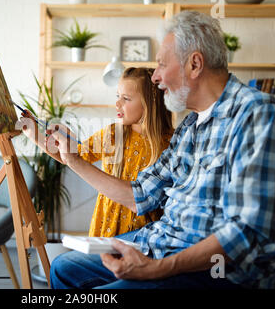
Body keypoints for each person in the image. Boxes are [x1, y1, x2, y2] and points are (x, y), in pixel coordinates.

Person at [45, 10, 275, 289]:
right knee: (64, 268)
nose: (155, 78)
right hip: (163, 245)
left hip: (216, 272)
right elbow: (140, 195)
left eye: (162, 64)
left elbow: (246, 234)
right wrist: (73, 159)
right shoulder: (189, 127)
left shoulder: (260, 114)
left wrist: (157, 269)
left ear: (195, 64)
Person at [20, 67, 174, 237]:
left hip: (145, 238)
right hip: (105, 230)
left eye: (126, 98)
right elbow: (71, 156)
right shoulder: (113, 134)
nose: (117, 104)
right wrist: (34, 134)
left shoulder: (171, 143)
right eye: (117, 96)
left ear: (150, 102)